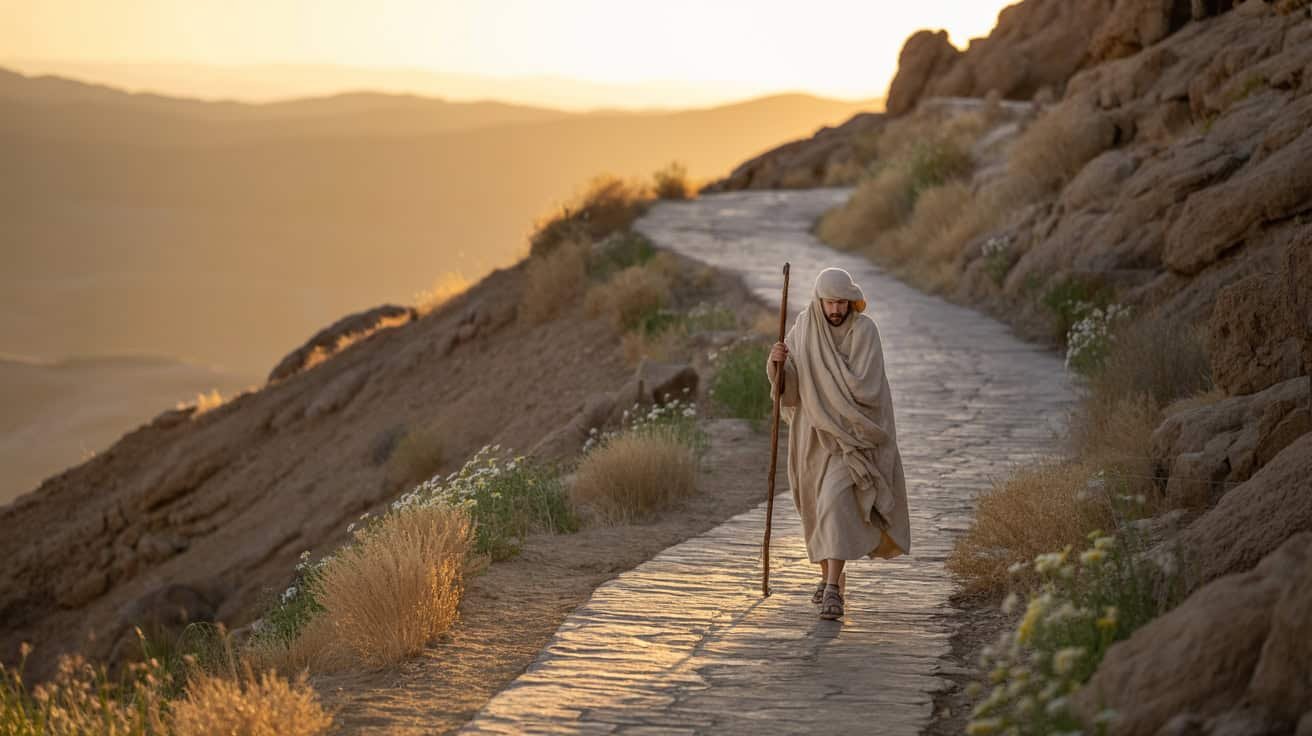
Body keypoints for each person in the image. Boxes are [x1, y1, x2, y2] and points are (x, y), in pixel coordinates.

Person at [765, 267, 910, 620]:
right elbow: (793, 389)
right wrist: (778, 365)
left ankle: (832, 590)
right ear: (819, 301)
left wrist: (836, 405)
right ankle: (832, 577)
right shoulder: (803, 328)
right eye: (829, 302)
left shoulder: (865, 331)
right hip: (813, 436)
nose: (835, 309)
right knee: (817, 509)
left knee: (834, 500)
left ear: (850, 301)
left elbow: (867, 388)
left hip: (854, 437)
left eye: (841, 303)